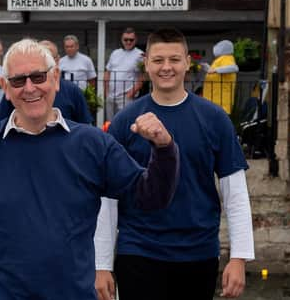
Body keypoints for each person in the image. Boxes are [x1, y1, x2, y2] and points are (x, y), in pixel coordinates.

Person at [0, 38, 179, 299]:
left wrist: (164, 149)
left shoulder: (94, 145)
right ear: (6, 89)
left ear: (55, 79)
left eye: (38, 77)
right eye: (18, 81)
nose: (29, 88)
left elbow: (150, 197)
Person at [94, 28, 253, 300]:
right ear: (146, 64)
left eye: (174, 59)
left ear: (187, 62)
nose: (166, 67)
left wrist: (239, 257)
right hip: (138, 250)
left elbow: (235, 192)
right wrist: (101, 265)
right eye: (158, 60)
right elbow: (108, 198)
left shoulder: (214, 119)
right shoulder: (125, 121)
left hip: (198, 252)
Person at [0, 40, 92, 124]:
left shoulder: (72, 90)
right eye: (19, 79)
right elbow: (1, 122)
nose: (29, 89)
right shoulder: (15, 89)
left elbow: (85, 124)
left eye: (38, 76)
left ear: (57, 61)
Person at [104, 28, 144, 121]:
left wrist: (131, 93)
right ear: (122, 40)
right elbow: (107, 72)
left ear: (136, 40)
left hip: (126, 96)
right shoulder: (115, 53)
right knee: (110, 122)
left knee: (125, 122)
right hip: (111, 95)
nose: (128, 42)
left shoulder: (140, 54)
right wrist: (106, 92)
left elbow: (143, 77)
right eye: (126, 39)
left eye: (131, 40)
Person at [202, 39, 239, 114]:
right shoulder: (220, 59)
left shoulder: (227, 57)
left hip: (220, 99)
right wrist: (208, 69)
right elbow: (214, 72)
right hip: (214, 97)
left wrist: (214, 70)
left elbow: (234, 68)